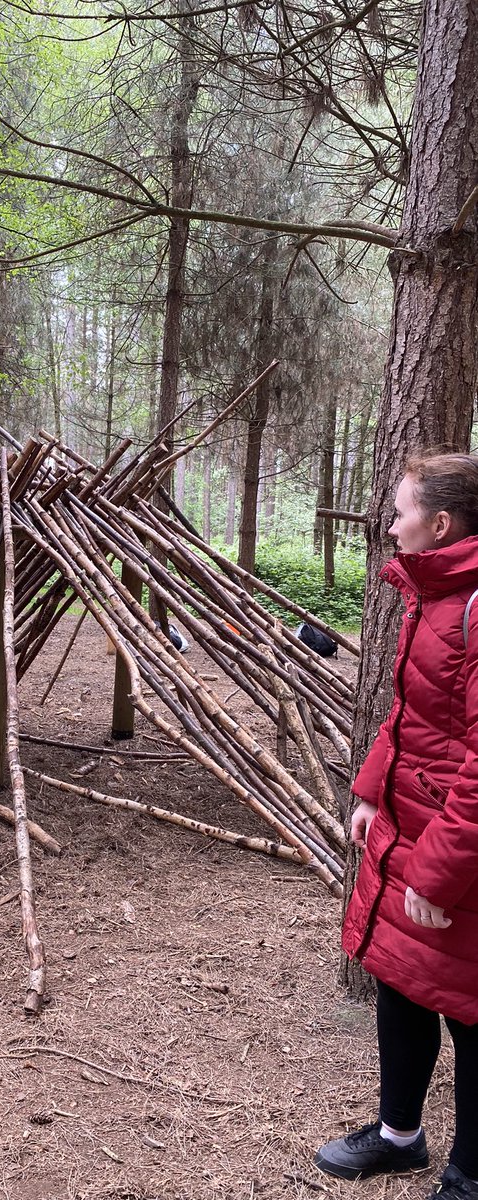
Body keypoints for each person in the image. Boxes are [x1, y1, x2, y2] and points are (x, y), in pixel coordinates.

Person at [315, 453, 478, 1200]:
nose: (390, 523)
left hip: (457, 848)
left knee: (471, 1011)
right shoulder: (432, 597)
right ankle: (398, 1136)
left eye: (400, 510)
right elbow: (413, 718)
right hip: (412, 826)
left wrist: (438, 872)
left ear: (440, 524)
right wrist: (374, 792)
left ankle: (470, 1172)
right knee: (402, 981)